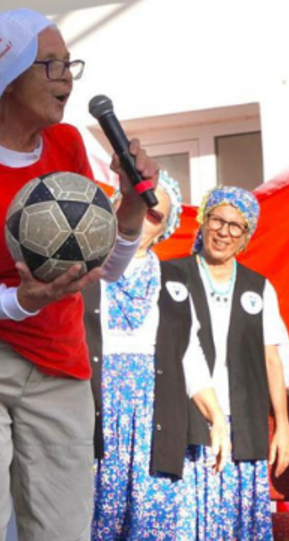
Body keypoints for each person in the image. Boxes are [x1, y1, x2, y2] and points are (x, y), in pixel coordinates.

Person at [0, 8, 158, 541]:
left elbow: (108, 268)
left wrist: (132, 202)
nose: (68, 77)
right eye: (50, 65)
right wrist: (19, 302)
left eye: (68, 63)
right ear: (8, 77)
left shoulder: (69, 144)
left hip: (59, 360)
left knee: (62, 530)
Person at [85, 171, 230, 541]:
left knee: (154, 527)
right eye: (138, 204)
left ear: (165, 227)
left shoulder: (176, 283)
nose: (144, 215)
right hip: (97, 415)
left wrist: (216, 417)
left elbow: (189, 355)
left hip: (156, 417)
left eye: (156, 214)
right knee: (90, 522)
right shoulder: (85, 270)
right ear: (117, 204)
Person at [167, 186, 289, 541]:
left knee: (239, 526)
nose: (223, 231)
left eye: (235, 226)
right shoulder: (171, 276)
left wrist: (282, 426)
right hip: (189, 418)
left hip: (244, 423)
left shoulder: (259, 287)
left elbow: (272, 358)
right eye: (217, 220)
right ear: (203, 222)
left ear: (246, 237)